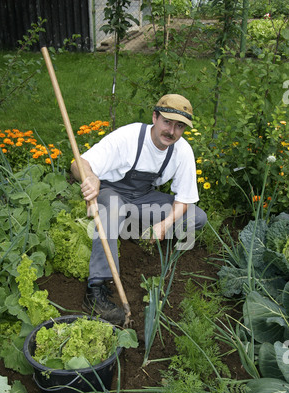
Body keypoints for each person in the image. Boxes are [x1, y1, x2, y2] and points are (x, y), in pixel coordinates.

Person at [71, 94, 207, 325]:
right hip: (111, 192)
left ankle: (133, 232)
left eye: (179, 126)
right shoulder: (129, 137)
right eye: (167, 122)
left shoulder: (182, 151)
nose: (171, 131)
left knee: (197, 217)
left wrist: (163, 225)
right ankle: (95, 289)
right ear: (155, 117)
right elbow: (78, 164)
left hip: (143, 198)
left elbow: (184, 199)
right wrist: (91, 177)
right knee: (114, 210)